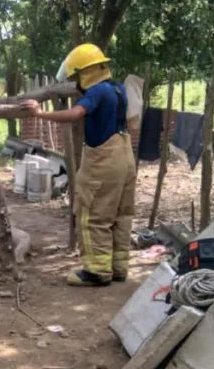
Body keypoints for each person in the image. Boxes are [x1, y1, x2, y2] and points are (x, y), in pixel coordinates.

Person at [22, 43, 136, 286]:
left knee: (92, 215)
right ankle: (118, 267)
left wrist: (40, 114)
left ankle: (96, 271)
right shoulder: (117, 89)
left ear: (86, 72)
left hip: (104, 160)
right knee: (120, 215)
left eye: (76, 76)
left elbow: (75, 114)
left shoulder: (96, 92)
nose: (75, 81)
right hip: (125, 157)